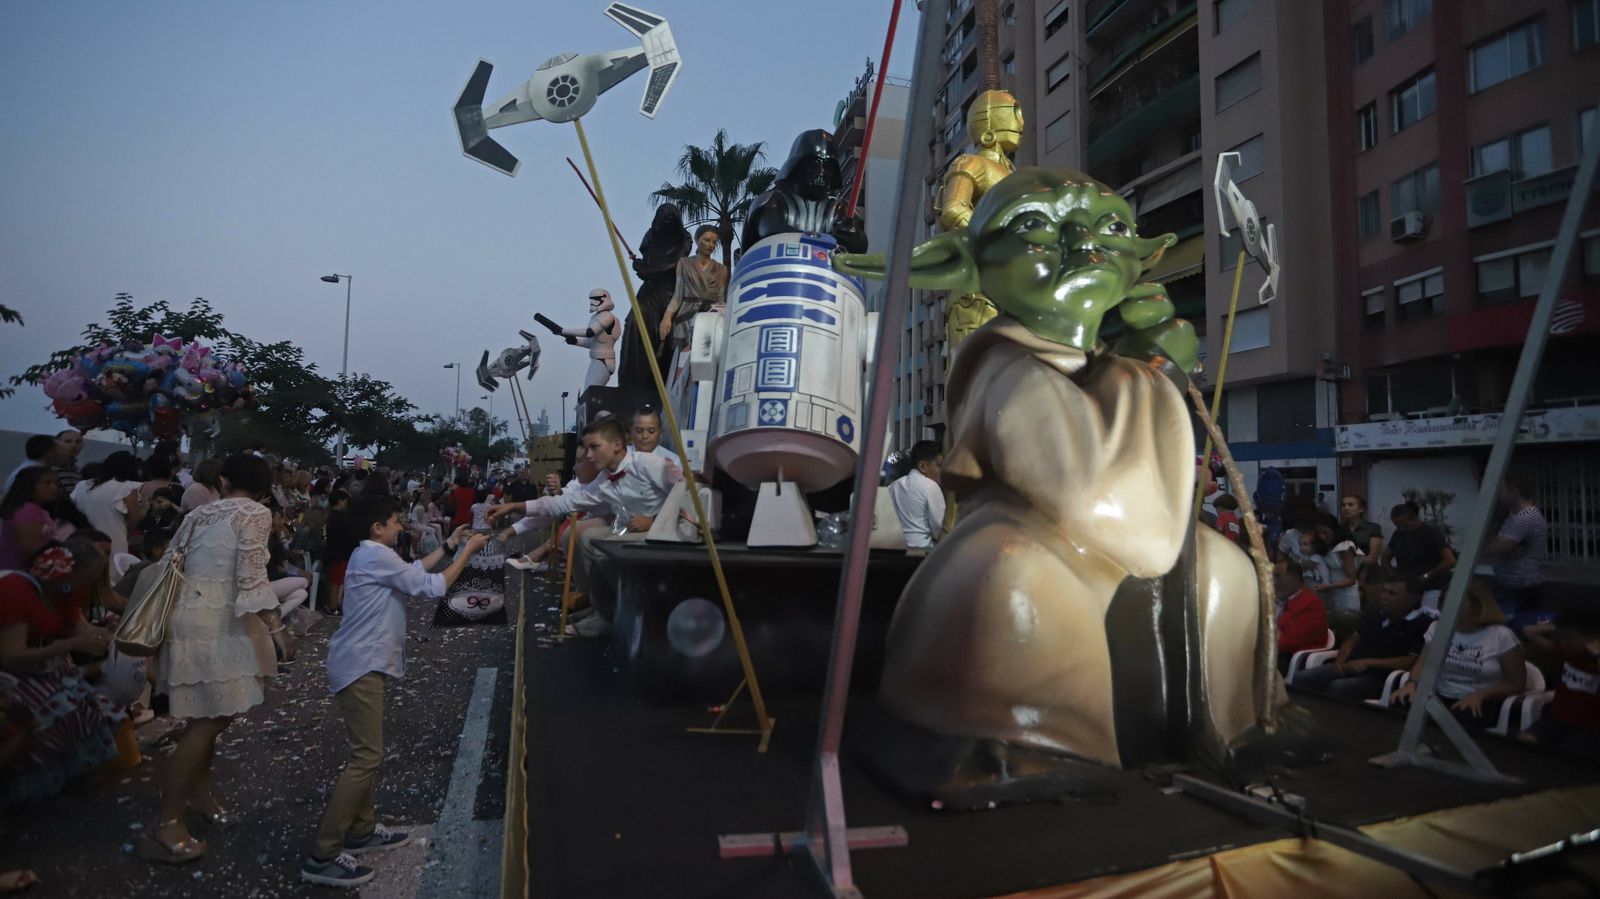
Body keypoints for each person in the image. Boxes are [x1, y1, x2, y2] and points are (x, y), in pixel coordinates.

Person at [302, 498, 488, 888]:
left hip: (364, 662)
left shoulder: (373, 554)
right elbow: (432, 586)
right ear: (376, 528)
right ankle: (323, 853)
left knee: (366, 754)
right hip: (361, 665)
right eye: (394, 522)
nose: (400, 527)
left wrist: (450, 545)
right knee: (365, 758)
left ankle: (362, 829)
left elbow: (413, 572)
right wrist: (467, 554)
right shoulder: (374, 555)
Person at [143, 454, 287, 864]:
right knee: (210, 721)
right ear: (264, 489)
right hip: (219, 623)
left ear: (223, 480)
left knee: (206, 717)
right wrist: (277, 629)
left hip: (187, 619)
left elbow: (170, 564)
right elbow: (251, 577)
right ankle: (167, 821)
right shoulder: (256, 513)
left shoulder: (198, 515)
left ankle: (202, 797)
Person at [485, 419, 682, 637]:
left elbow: (686, 491)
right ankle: (603, 609)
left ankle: (625, 606)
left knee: (601, 546)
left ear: (616, 445)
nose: (588, 455)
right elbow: (561, 504)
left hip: (666, 532)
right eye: (586, 449)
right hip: (630, 531)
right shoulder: (604, 481)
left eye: (594, 447)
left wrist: (654, 520)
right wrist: (513, 506)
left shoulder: (648, 464)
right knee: (588, 538)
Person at [0, 541, 123, 810]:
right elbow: (11, 655)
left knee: (89, 704)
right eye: (88, 578)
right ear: (68, 573)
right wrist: (72, 645)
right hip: (12, 673)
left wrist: (103, 636)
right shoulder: (17, 591)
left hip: (42, 664)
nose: (89, 585)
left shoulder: (68, 590)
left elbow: (72, 626)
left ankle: (71, 776)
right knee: (58, 711)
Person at [1390, 580, 1525, 730]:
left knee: (1464, 717)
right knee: (1401, 701)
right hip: (1439, 695)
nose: (1449, 605)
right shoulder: (1437, 628)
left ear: (1478, 604)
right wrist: (1411, 684)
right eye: (1446, 600)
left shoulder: (1501, 636)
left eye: (1456, 600)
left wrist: (1482, 694)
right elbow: (1423, 663)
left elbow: (1516, 683)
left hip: (1483, 700)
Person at [1293, 578, 1431, 700]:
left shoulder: (1422, 624)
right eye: (1384, 591)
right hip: (1349, 667)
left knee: (1337, 688)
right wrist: (1340, 661)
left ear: (1412, 599)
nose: (1384, 597)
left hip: (1380, 677)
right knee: (1300, 678)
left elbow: (1410, 661)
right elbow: (1353, 639)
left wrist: (1369, 663)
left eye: (1392, 593)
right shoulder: (1375, 614)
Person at [619, 203, 691, 389]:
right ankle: (633, 383)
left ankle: (668, 383)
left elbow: (677, 265)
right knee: (634, 322)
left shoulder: (685, 238)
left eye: (671, 217)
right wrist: (640, 265)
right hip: (649, 291)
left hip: (671, 291)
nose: (667, 221)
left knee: (670, 334)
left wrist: (648, 271)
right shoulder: (650, 236)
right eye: (664, 217)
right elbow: (648, 260)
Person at [1521, 611, 1600, 757]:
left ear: (1593, 641)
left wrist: (1597, 654)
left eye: (1569, 638)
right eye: (1562, 638)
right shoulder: (1566, 653)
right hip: (1555, 720)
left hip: (1587, 728)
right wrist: (1558, 626)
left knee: (1570, 753)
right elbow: (1528, 631)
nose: (1563, 642)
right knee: (1524, 741)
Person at [658, 225, 729, 354]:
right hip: (686, 318)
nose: (711, 245)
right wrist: (667, 316)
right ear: (697, 240)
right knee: (683, 360)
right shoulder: (684, 263)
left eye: (714, 242)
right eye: (707, 240)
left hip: (710, 319)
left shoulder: (721, 269)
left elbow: (720, 300)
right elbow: (678, 295)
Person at [1483, 475, 1546, 619]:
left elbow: (1497, 549)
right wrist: (1497, 547)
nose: (1500, 493)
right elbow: (1497, 548)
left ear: (1515, 492)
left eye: (1503, 489)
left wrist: (1495, 547)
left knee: (1514, 628)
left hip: (1521, 588)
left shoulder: (1524, 518)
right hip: (1512, 585)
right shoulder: (1515, 516)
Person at [1381, 502, 1456, 611]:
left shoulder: (1430, 533)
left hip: (1431, 587)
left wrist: (1426, 576)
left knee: (1426, 617)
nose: (1401, 528)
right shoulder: (1398, 534)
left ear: (1414, 518)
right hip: (1409, 589)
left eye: (1404, 525)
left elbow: (1450, 561)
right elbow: (1385, 557)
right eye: (1397, 526)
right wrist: (1392, 575)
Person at [71, 451, 147, 558]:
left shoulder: (82, 485)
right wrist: (145, 508)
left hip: (82, 542)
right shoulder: (127, 487)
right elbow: (133, 522)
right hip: (113, 543)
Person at [889, 441, 946, 549]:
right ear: (922, 466)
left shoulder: (894, 486)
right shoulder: (931, 487)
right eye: (939, 466)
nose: (942, 471)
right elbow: (939, 526)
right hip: (922, 550)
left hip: (895, 549)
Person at [1275, 560, 1329, 674]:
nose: (1273, 581)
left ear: (1294, 578)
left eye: (1277, 576)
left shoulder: (1311, 605)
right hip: (1276, 655)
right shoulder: (1281, 601)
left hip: (1290, 661)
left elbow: (1283, 642)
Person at [0, 468, 61, 570]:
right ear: (29, 485)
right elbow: (30, 551)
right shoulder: (27, 510)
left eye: (56, 483)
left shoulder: (32, 508)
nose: (54, 487)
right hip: (20, 574)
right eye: (47, 483)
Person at [1310, 514, 1362, 613]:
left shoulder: (1345, 547)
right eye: (1319, 533)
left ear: (1334, 530)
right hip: (1330, 593)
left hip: (1346, 595)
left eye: (1326, 533)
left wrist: (1329, 586)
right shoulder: (1325, 546)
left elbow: (1352, 579)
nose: (1322, 537)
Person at [323, 490, 355, 616]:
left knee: (336, 580)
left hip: (334, 552)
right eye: (345, 502)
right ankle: (333, 606)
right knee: (337, 581)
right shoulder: (340, 518)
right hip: (340, 553)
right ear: (340, 501)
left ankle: (334, 605)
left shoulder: (330, 516)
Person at [1340, 494, 1384, 579]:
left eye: (1350, 505)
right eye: (1343, 505)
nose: (1346, 508)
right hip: (1344, 573)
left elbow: (1373, 555)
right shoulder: (1339, 529)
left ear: (1361, 509)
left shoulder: (1372, 527)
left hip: (1368, 573)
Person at [49, 429, 85, 499]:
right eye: (68, 441)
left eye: (78, 442)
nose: (74, 445)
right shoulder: (47, 469)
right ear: (56, 444)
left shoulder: (79, 472)